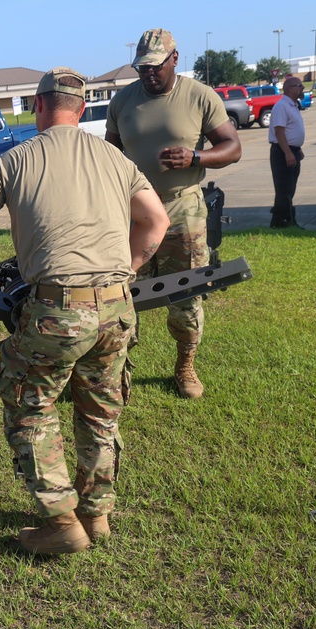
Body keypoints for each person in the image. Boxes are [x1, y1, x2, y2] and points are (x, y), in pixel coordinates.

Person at [0, 67, 171, 555]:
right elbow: (157, 222)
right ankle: (98, 515)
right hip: (116, 309)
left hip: (56, 309)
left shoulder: (14, 159)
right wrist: (126, 271)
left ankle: (60, 520)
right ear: (83, 105)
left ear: (38, 103)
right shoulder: (115, 158)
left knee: (30, 406)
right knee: (100, 412)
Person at [105, 28, 242, 399]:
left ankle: (185, 366)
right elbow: (110, 154)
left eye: (155, 66)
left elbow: (232, 147)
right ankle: (116, 369)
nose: (148, 73)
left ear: (175, 59)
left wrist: (195, 157)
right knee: (120, 292)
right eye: (142, 68)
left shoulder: (199, 96)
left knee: (186, 293)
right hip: (134, 212)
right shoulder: (122, 102)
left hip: (183, 209)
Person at [269, 77, 307, 228]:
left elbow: (291, 131)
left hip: (292, 151)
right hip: (282, 152)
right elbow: (279, 132)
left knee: (290, 188)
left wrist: (298, 149)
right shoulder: (282, 106)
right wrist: (288, 153)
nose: (302, 88)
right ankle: (285, 221)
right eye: (299, 86)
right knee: (284, 188)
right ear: (290, 88)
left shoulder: (293, 105)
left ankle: (279, 221)